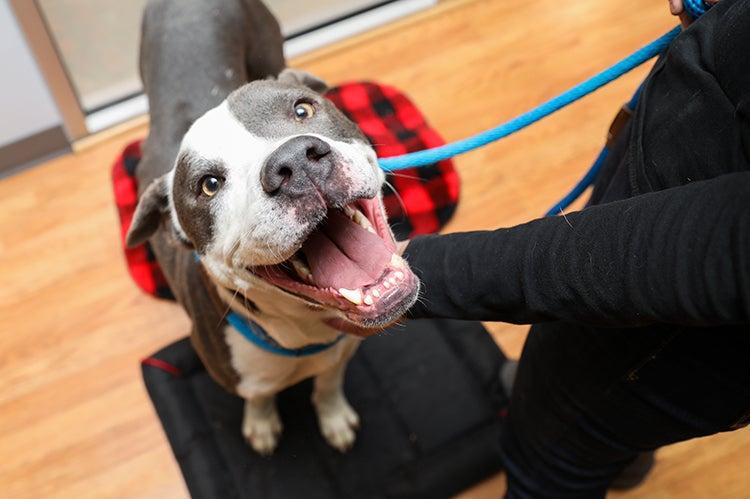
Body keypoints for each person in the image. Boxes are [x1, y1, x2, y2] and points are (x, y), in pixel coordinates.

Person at [400, 0, 749, 497]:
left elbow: (700, 251)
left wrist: (423, 272)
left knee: (547, 456)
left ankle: (578, 426)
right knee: (593, 414)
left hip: (680, 331)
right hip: (668, 166)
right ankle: (615, 444)